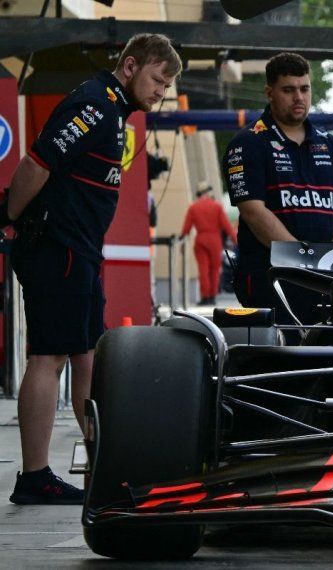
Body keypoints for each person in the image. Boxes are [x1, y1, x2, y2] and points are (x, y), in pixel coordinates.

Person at [2, 34, 181, 504]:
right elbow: (35, 164)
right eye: (157, 79)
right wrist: (8, 219)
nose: (161, 91)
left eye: (166, 85)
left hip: (79, 252)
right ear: (129, 66)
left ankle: (107, 465)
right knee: (49, 356)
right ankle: (35, 476)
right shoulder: (95, 106)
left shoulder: (114, 112)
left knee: (87, 356)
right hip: (56, 248)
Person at [223, 52, 333, 329]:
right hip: (270, 278)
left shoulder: (331, 144)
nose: (299, 97)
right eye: (289, 90)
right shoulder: (247, 143)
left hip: (327, 278)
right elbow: (253, 211)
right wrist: (303, 259)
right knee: (279, 360)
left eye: (304, 89)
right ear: (269, 93)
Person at [181, 181, 237, 305]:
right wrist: (235, 240)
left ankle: (205, 297)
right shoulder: (217, 207)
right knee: (215, 269)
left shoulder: (193, 207)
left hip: (201, 239)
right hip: (214, 240)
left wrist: (182, 243)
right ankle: (212, 297)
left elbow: (186, 228)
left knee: (203, 269)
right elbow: (227, 226)